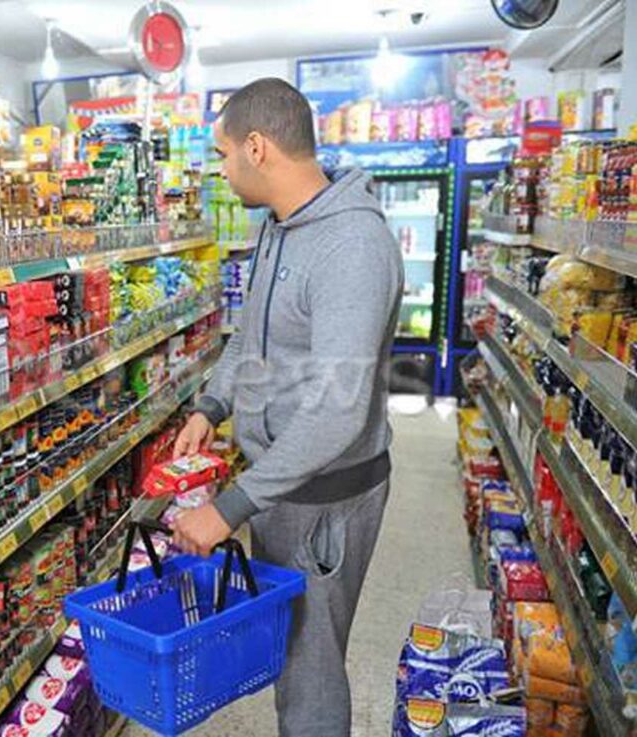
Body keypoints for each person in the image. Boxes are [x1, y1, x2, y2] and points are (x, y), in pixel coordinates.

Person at [170, 78, 403, 736]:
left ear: (256, 146)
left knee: (310, 668)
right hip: (280, 484)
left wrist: (231, 506)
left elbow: (338, 412)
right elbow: (250, 335)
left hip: (326, 495)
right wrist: (211, 405)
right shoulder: (280, 226)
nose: (219, 169)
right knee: (287, 655)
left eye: (221, 155)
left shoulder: (351, 247)